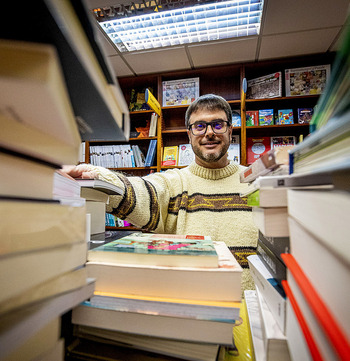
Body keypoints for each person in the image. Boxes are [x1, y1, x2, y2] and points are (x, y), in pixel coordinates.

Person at [63, 94, 258, 292]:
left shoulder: (255, 181)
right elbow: (138, 190)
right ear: (189, 134)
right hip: (190, 308)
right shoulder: (173, 182)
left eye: (217, 124)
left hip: (253, 310)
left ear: (230, 130)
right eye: (199, 126)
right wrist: (92, 173)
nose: (209, 133)